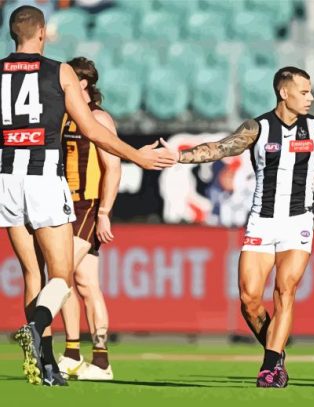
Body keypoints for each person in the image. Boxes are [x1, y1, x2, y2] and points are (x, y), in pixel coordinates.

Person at [160, 66, 314, 388]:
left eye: (311, 92)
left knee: (286, 290)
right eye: (304, 92)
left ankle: (270, 367)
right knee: (249, 299)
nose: (310, 98)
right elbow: (219, 148)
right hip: (261, 221)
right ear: (284, 93)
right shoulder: (257, 128)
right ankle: (277, 354)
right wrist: (179, 157)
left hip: (298, 221)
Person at [1, 6, 174, 386]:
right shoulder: (59, 71)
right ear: (42, 32)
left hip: (6, 177)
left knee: (33, 274)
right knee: (61, 276)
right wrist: (138, 157)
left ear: (13, 34)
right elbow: (93, 130)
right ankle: (37, 326)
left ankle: (46, 366)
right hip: (44, 176)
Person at [55, 57, 118, 381]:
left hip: (88, 206)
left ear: (83, 84)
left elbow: (114, 167)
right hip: (63, 206)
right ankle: (90, 358)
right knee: (85, 284)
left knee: (60, 276)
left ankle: (75, 353)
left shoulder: (98, 118)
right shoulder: (66, 117)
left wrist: (104, 214)